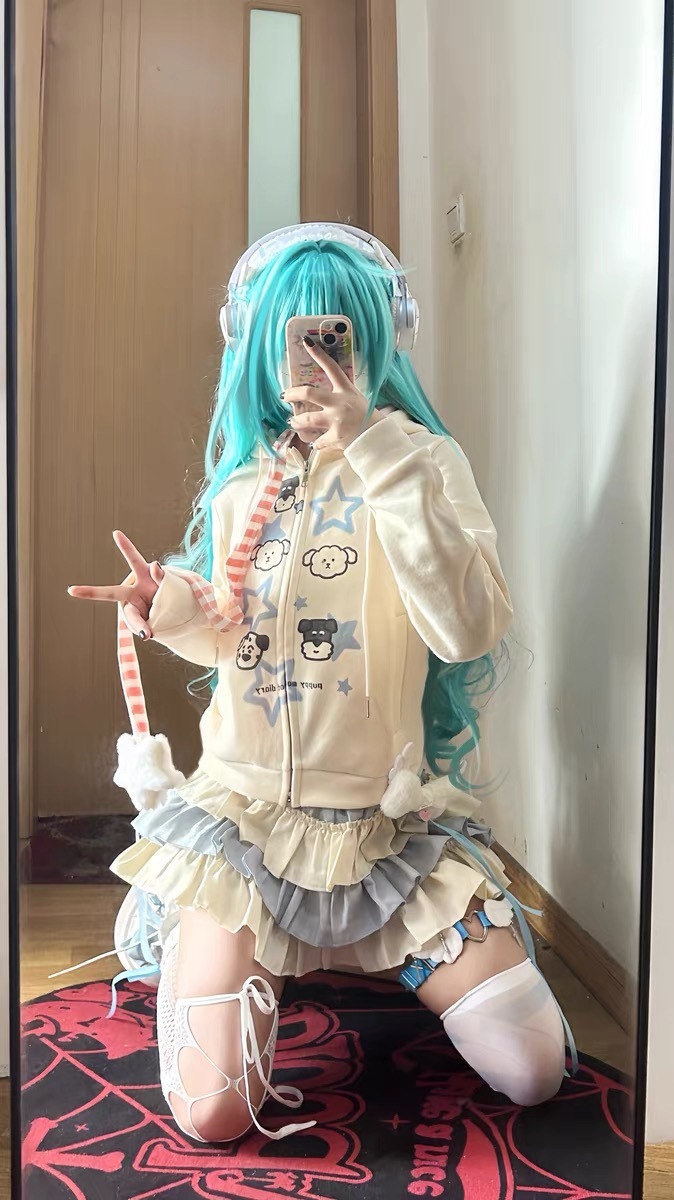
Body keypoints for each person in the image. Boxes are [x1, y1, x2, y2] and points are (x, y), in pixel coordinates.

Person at [68, 223, 567, 1145]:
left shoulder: (423, 462)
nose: (312, 362)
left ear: (378, 338)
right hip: (246, 825)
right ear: (257, 345)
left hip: (386, 827)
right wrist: (164, 605)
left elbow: (465, 629)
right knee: (215, 1113)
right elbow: (229, 636)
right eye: (294, 339)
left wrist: (372, 449)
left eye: (334, 336)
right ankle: (212, 937)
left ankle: (367, 948)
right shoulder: (249, 480)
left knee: (534, 1070)